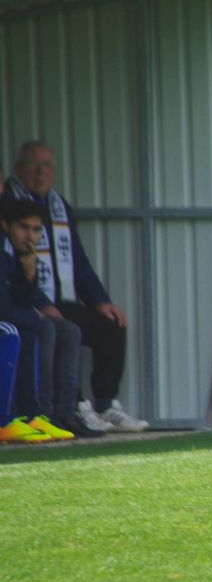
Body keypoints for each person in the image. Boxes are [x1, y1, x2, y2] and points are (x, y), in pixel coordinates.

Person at [0, 141, 148, 432]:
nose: (41, 172)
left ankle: (103, 405)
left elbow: (78, 260)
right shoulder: (9, 205)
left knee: (109, 324)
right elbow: (12, 268)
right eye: (34, 165)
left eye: (47, 166)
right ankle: (61, 409)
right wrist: (40, 304)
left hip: (54, 298)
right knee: (49, 327)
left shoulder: (59, 205)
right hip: (28, 301)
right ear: (19, 170)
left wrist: (100, 300)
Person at [0, 201, 77, 441]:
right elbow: (4, 310)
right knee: (13, 331)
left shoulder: (15, 256)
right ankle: (5, 420)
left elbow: (21, 301)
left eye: (36, 230)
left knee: (34, 327)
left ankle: (33, 414)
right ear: (6, 225)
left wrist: (29, 274)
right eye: (24, 228)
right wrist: (32, 315)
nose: (30, 236)